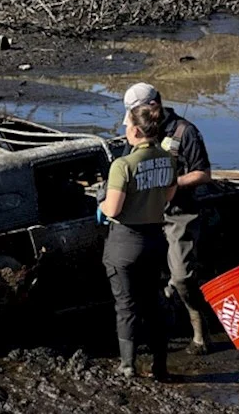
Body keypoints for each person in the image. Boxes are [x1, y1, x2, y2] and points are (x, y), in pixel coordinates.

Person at [122, 83, 213, 355]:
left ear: (154, 106)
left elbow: (203, 173)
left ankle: (200, 332)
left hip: (179, 214)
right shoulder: (138, 130)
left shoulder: (185, 132)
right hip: (147, 214)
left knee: (183, 276)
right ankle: (152, 328)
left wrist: (170, 182)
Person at [99, 102, 177, 380]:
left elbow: (113, 209)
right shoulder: (168, 157)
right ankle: (160, 365)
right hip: (156, 238)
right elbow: (169, 195)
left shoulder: (123, 164)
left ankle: (128, 365)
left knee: (126, 305)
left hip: (125, 242)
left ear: (134, 129)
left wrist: (102, 197)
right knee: (153, 302)